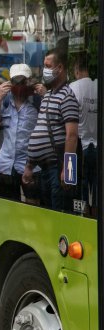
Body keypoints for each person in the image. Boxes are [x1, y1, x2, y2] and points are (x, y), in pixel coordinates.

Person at [23, 48, 80, 211]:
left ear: (60, 68)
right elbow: (40, 129)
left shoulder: (67, 96)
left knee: (60, 216)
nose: (45, 70)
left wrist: (69, 173)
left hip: (58, 169)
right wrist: (29, 166)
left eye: (48, 66)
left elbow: (72, 135)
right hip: (44, 170)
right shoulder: (48, 95)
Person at [0, 64, 39, 201]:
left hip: (29, 165)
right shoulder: (4, 101)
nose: (20, 87)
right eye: (16, 82)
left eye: (23, 82)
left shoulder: (37, 101)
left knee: (32, 210)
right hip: (5, 165)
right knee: (6, 209)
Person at [69, 54, 98, 214]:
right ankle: (96, 219)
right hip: (98, 145)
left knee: (81, 187)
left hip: (81, 146)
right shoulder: (98, 85)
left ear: (77, 70)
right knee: (98, 186)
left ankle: (84, 217)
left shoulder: (74, 87)